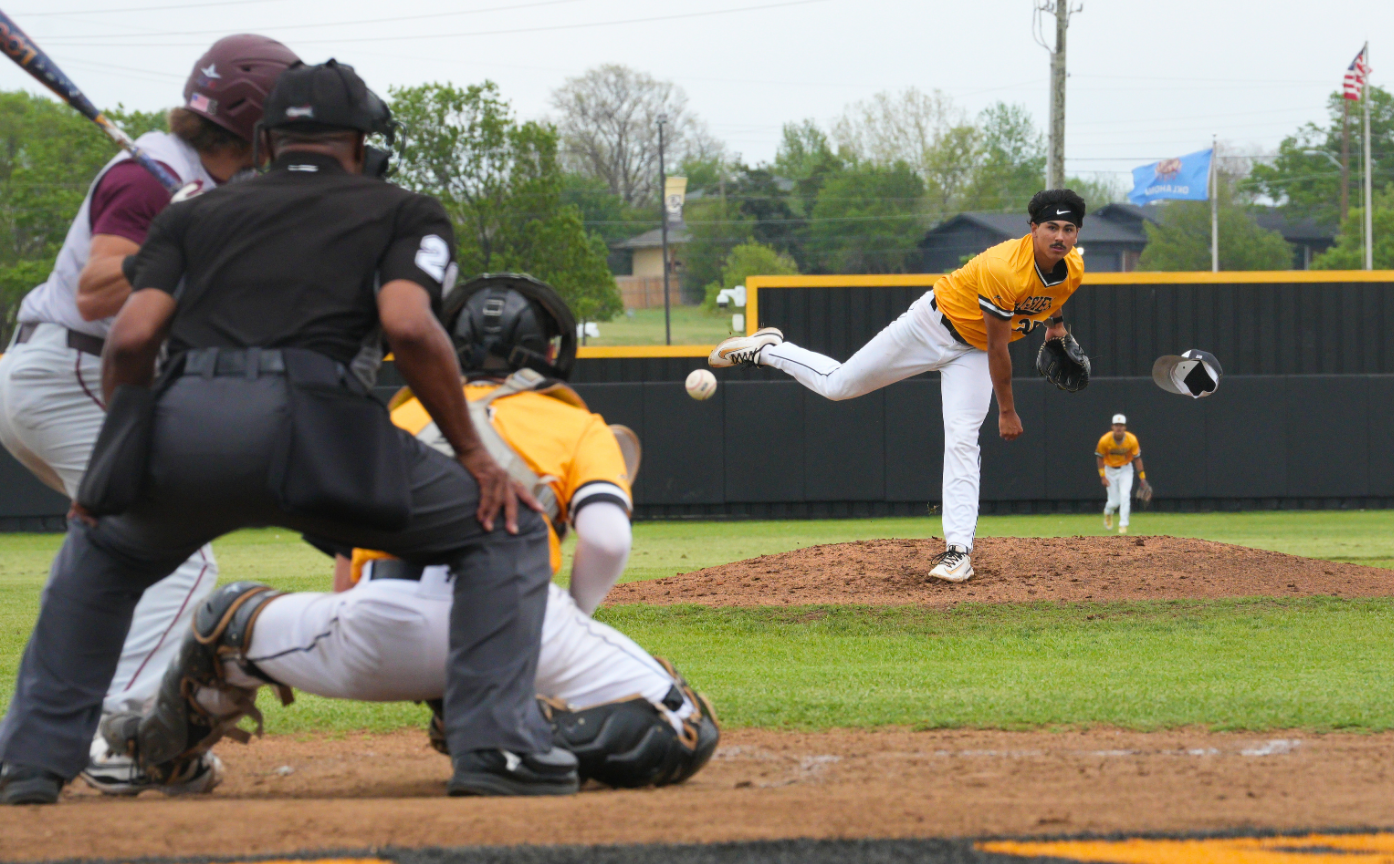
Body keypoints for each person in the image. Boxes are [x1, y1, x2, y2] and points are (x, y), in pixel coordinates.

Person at [0, 60, 572, 806]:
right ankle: (495, 747)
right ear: (360, 145)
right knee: (507, 530)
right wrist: (474, 456)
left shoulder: (190, 215)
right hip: (324, 436)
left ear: (265, 142)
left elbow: (131, 340)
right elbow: (407, 324)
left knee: (101, 554)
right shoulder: (402, 210)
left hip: (187, 430)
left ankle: (30, 762)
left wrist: (116, 466)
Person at [99, 274, 718, 791]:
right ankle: (510, 727)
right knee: (683, 722)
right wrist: (560, 619)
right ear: (551, 353)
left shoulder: (400, 412)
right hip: (515, 631)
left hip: (375, 633)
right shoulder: (576, 423)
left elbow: (347, 562)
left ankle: (148, 747)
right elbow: (607, 539)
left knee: (227, 616)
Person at [0, 34, 298, 796]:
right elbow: (101, 292)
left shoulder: (189, 182)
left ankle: (40, 731)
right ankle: (118, 733)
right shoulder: (150, 177)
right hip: (70, 366)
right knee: (176, 551)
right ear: (257, 128)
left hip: (69, 374)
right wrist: (176, 230)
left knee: (103, 561)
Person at [708, 189, 1088, 583]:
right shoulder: (1004, 267)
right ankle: (768, 350)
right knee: (839, 385)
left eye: (1068, 228)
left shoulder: (1073, 266)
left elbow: (1050, 294)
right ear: (1032, 229)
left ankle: (958, 551)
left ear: (1077, 233)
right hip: (930, 328)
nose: (1059, 236)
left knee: (962, 438)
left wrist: (1056, 327)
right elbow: (998, 347)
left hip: (971, 354)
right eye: (1050, 227)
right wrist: (1007, 411)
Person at [1096, 415, 1147, 534]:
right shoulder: (1105, 440)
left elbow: (1137, 459)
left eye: (1121, 425)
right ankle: (1108, 512)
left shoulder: (1131, 439)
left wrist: (1142, 478)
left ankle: (1123, 525)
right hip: (1110, 470)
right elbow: (1099, 458)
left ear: (1125, 427)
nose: (1119, 428)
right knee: (1114, 502)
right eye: (1116, 425)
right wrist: (1102, 476)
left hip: (1126, 469)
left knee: (1125, 495)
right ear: (1112, 427)